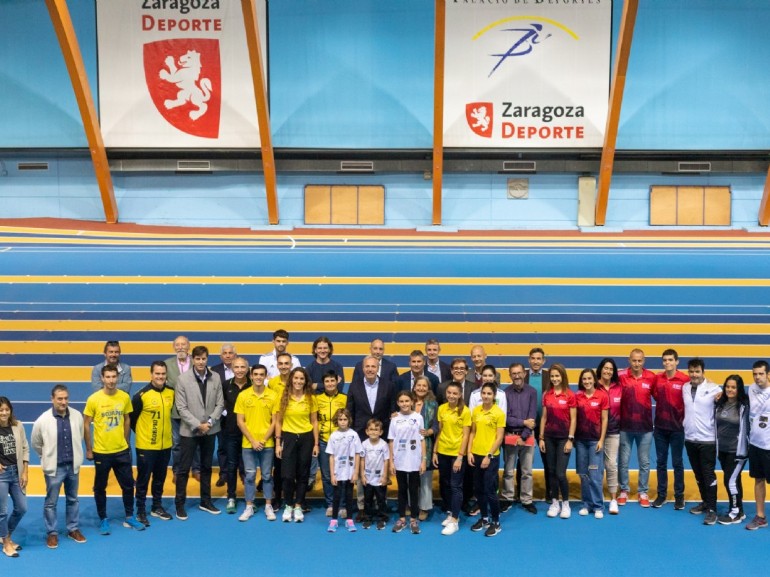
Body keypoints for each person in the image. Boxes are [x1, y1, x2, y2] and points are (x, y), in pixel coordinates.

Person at [84, 365, 144, 534]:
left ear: (117, 378)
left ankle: (130, 516)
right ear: (102, 378)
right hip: (102, 452)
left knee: (127, 486)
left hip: (121, 451)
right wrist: (89, 449)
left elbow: (127, 420)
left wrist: (125, 442)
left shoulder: (124, 397)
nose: (111, 380)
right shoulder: (94, 399)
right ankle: (103, 519)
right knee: (100, 487)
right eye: (107, 377)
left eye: (113, 377)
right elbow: (86, 424)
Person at [31, 384, 86, 548]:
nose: (63, 402)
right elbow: (36, 442)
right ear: (52, 399)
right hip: (54, 469)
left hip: (73, 467)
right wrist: (46, 456)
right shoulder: (43, 420)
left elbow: (80, 437)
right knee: (51, 502)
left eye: (66, 398)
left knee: (73, 499)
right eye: (60, 398)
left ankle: (73, 529)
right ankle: (52, 533)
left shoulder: (77, 416)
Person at [174, 345, 224, 519]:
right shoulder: (183, 379)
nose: (201, 362)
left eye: (204, 358)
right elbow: (181, 407)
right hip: (189, 431)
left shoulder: (215, 377)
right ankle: (179, 504)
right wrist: (198, 424)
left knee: (206, 467)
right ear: (192, 359)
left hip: (210, 430)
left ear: (207, 359)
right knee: (183, 469)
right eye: (197, 359)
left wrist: (209, 422)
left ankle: (206, 501)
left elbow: (220, 403)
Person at [130, 361, 175, 526]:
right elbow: (132, 420)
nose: (160, 377)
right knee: (143, 480)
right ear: (151, 374)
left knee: (160, 478)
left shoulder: (171, 392)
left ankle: (157, 506)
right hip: (146, 447)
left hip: (165, 445)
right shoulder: (141, 395)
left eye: (163, 374)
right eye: (157, 374)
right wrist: (145, 435)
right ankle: (140, 510)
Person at [235, 364, 278, 522]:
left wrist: (264, 440)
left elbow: (275, 422)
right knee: (250, 476)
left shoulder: (273, 396)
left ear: (266, 376)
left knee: (267, 476)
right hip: (248, 444)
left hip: (267, 444)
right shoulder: (243, 395)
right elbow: (240, 421)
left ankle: (268, 505)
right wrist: (253, 440)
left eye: (262, 374)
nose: (258, 377)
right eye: (256, 374)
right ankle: (249, 506)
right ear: (251, 376)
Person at [275, 367, 319, 523]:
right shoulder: (283, 398)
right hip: (288, 438)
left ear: (305, 381)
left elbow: (314, 421)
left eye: (302, 379)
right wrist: (278, 443)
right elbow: (278, 422)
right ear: (291, 380)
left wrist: (315, 444)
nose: (298, 381)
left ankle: (298, 505)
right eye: (296, 378)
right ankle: (288, 504)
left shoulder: (311, 398)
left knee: (302, 474)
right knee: (287, 476)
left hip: (306, 439)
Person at [682, 358, 721, 525]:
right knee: (698, 474)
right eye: (691, 371)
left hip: (707, 440)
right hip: (690, 438)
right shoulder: (685, 387)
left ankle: (712, 509)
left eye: (697, 371)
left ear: (703, 372)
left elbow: (729, 397)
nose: (694, 374)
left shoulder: (713, 389)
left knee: (708, 474)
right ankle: (705, 502)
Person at [618, 348, 655, 507]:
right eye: (634, 360)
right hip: (625, 426)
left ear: (644, 361)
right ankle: (624, 490)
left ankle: (642, 491)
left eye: (640, 360)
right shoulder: (621, 376)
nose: (637, 363)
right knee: (623, 461)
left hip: (645, 427)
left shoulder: (651, 377)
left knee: (644, 461)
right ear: (629, 360)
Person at [651, 348, 689, 509]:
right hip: (660, 427)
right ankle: (662, 495)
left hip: (677, 428)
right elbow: (655, 395)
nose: (667, 363)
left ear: (677, 361)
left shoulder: (684, 379)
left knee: (677, 462)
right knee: (661, 462)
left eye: (670, 360)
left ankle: (679, 496)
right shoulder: (658, 379)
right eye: (665, 360)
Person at [432, 382, 470, 536]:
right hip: (442, 452)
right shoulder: (442, 408)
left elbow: (466, 435)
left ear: (460, 394)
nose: (451, 396)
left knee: (456, 486)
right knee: (446, 483)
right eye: (449, 393)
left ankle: (455, 520)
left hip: (456, 454)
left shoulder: (465, 411)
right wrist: (435, 451)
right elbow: (440, 432)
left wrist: (460, 456)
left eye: (455, 393)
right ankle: (451, 513)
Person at [467, 383, 505, 537]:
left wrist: (488, 455)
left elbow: (499, 437)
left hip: (490, 457)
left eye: (489, 393)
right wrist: (469, 451)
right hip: (475, 455)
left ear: (494, 395)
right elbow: (472, 433)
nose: (486, 396)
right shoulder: (476, 411)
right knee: (478, 489)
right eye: (484, 393)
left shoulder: (499, 413)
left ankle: (495, 522)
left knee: (490, 490)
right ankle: (484, 518)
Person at [540, 363, 576, 519]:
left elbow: (574, 419)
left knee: (561, 473)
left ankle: (565, 503)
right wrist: (541, 437)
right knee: (552, 472)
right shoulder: (547, 395)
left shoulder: (570, 395)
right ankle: (555, 502)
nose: (555, 379)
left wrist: (570, 439)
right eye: (552, 376)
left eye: (557, 376)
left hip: (563, 439)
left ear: (563, 376)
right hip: (549, 438)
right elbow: (544, 417)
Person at [500, 362, 538, 514]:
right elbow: (506, 419)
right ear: (510, 375)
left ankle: (526, 499)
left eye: (519, 373)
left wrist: (523, 435)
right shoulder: (505, 393)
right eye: (513, 373)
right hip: (510, 436)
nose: (516, 376)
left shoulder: (532, 392)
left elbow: (532, 416)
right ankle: (507, 498)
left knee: (527, 471)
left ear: (524, 373)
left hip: (526, 436)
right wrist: (522, 422)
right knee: (508, 470)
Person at [389, 390, 426, 535]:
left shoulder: (418, 417)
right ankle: (402, 518)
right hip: (400, 460)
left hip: (415, 460)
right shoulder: (394, 419)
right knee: (402, 490)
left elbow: (422, 440)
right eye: (401, 401)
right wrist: (392, 462)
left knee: (414, 490)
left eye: (407, 401)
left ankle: (414, 519)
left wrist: (423, 460)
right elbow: (391, 440)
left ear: (412, 402)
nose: (404, 404)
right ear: (398, 403)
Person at [715, 374, 749, 525]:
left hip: (737, 452)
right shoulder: (720, 403)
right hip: (722, 450)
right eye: (728, 386)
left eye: (733, 387)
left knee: (730, 481)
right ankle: (739, 510)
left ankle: (734, 512)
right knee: (734, 480)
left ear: (739, 389)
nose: (730, 389)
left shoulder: (744, 406)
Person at [574, 368, 609, 519]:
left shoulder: (602, 396)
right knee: (584, 474)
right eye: (584, 379)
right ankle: (586, 504)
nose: (587, 382)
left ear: (594, 380)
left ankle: (598, 505)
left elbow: (605, 419)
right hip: (580, 441)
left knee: (595, 473)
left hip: (595, 441)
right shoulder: (577, 396)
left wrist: (601, 440)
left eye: (589, 379)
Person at [164, 335, 197, 480]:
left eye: (183, 344)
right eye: (177, 345)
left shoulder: (197, 363)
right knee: (176, 443)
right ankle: (177, 470)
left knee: (195, 441)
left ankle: (196, 469)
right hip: (175, 410)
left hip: (194, 411)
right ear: (173, 347)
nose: (180, 347)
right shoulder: (166, 364)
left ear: (189, 346)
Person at [326, 408, 363, 533]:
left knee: (348, 495)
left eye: (345, 419)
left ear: (349, 420)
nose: (342, 422)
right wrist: (332, 474)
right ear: (337, 421)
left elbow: (358, 453)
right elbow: (331, 456)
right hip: (337, 471)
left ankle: (349, 519)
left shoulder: (354, 435)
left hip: (350, 471)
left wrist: (356, 472)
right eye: (340, 419)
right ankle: (334, 520)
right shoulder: (333, 436)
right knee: (336, 496)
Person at [220, 356, 249, 512]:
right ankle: (231, 496)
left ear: (247, 369)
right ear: (232, 369)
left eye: (242, 367)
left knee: (248, 468)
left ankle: (249, 498)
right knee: (231, 466)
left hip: (249, 434)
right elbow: (220, 406)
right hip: (230, 433)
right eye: (236, 367)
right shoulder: (225, 385)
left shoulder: (253, 385)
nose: (239, 370)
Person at [316, 370, 348, 516]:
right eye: (327, 381)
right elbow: (314, 421)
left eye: (332, 381)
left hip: (341, 443)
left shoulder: (344, 398)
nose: (330, 384)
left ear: (337, 382)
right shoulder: (317, 399)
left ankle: (342, 505)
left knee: (341, 474)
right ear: (323, 384)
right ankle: (330, 504)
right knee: (327, 475)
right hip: (323, 441)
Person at [0, 397, 28, 558]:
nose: (4, 412)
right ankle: (6, 544)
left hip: (16, 473)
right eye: (1, 410)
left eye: (6, 409)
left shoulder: (18, 426)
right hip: (2, 475)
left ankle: (6, 536)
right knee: (2, 512)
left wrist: (25, 471)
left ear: (10, 410)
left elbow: (25, 448)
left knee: (22, 507)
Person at [596, 357, 622, 514]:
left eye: (610, 369)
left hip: (613, 432)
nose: (607, 371)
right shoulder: (593, 385)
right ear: (600, 369)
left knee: (611, 465)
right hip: (594, 433)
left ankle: (613, 499)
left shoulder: (619, 387)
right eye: (605, 368)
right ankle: (596, 497)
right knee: (596, 467)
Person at [747, 360, 770, 530]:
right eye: (755, 374)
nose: (757, 377)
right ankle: (760, 516)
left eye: (761, 374)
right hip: (755, 444)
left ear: (768, 375)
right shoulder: (752, 389)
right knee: (758, 480)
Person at [212, 343, 238, 486]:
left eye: (230, 353)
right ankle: (224, 474)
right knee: (222, 445)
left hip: (239, 415)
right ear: (221, 356)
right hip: (221, 415)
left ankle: (242, 473)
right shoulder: (214, 371)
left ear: (235, 355)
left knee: (239, 445)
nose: (228, 355)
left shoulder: (242, 369)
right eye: (225, 353)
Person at [413, 375, 438, 520]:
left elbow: (436, 424)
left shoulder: (433, 404)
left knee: (425, 478)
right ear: (414, 386)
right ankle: (412, 505)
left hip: (426, 445)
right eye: (419, 385)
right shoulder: (407, 402)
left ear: (428, 388)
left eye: (424, 386)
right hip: (409, 447)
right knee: (411, 477)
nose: (421, 388)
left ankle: (424, 507)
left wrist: (429, 431)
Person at [361, 419, 390, 530]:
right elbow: (362, 460)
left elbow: (386, 460)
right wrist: (362, 475)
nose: (373, 432)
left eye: (376, 430)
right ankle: (368, 518)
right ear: (367, 431)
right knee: (367, 499)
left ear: (381, 432)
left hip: (379, 479)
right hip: (368, 478)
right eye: (371, 429)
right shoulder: (364, 444)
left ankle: (382, 518)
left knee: (381, 499)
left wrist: (384, 476)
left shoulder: (383, 445)